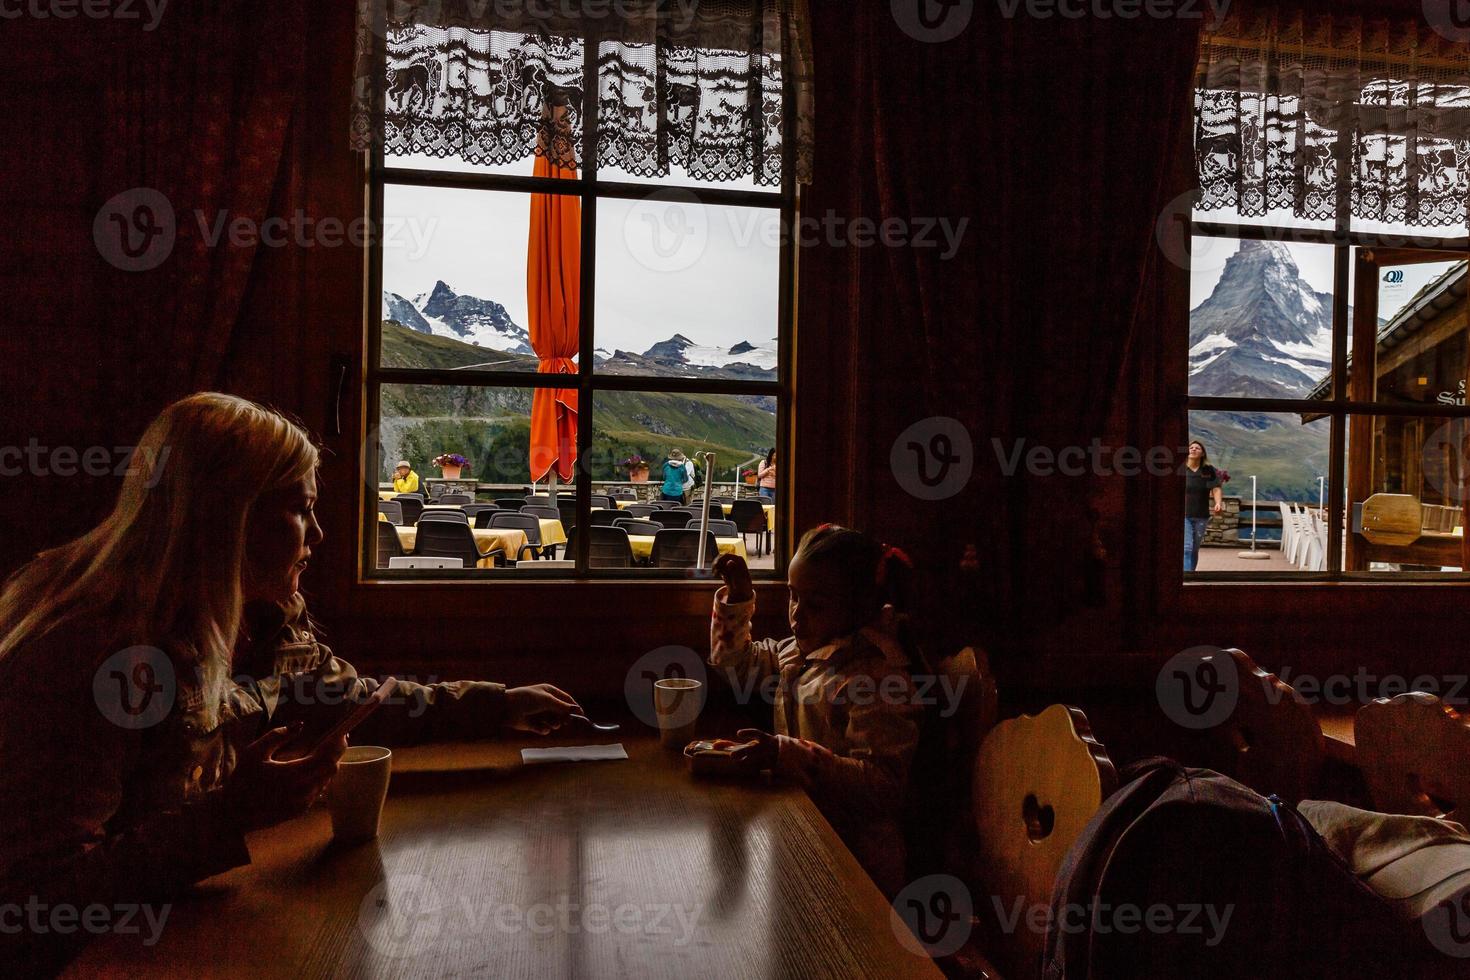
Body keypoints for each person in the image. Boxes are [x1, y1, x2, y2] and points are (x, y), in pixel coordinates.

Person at [0, 393, 583, 973]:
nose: (320, 535)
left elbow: (354, 700)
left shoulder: (260, 617)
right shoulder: (91, 650)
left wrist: (498, 704)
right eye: (302, 509)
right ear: (227, 513)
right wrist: (232, 815)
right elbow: (35, 905)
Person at [708, 525, 923, 897]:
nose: (796, 615)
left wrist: (785, 754)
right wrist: (738, 599)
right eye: (794, 596)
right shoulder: (798, 652)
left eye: (816, 605)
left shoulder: (875, 676)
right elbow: (732, 664)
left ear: (857, 607)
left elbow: (885, 785)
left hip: (860, 868)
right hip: (805, 838)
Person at [1184, 439, 1223, 572]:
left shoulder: (1208, 470)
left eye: (1197, 448)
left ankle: (1191, 574)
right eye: (1191, 447)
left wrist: (1218, 503)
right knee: (1187, 547)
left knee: (1194, 548)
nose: (1193, 449)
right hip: (1184, 515)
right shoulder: (1182, 469)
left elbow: (1216, 488)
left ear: (1202, 454)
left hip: (1201, 515)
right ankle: (1186, 578)